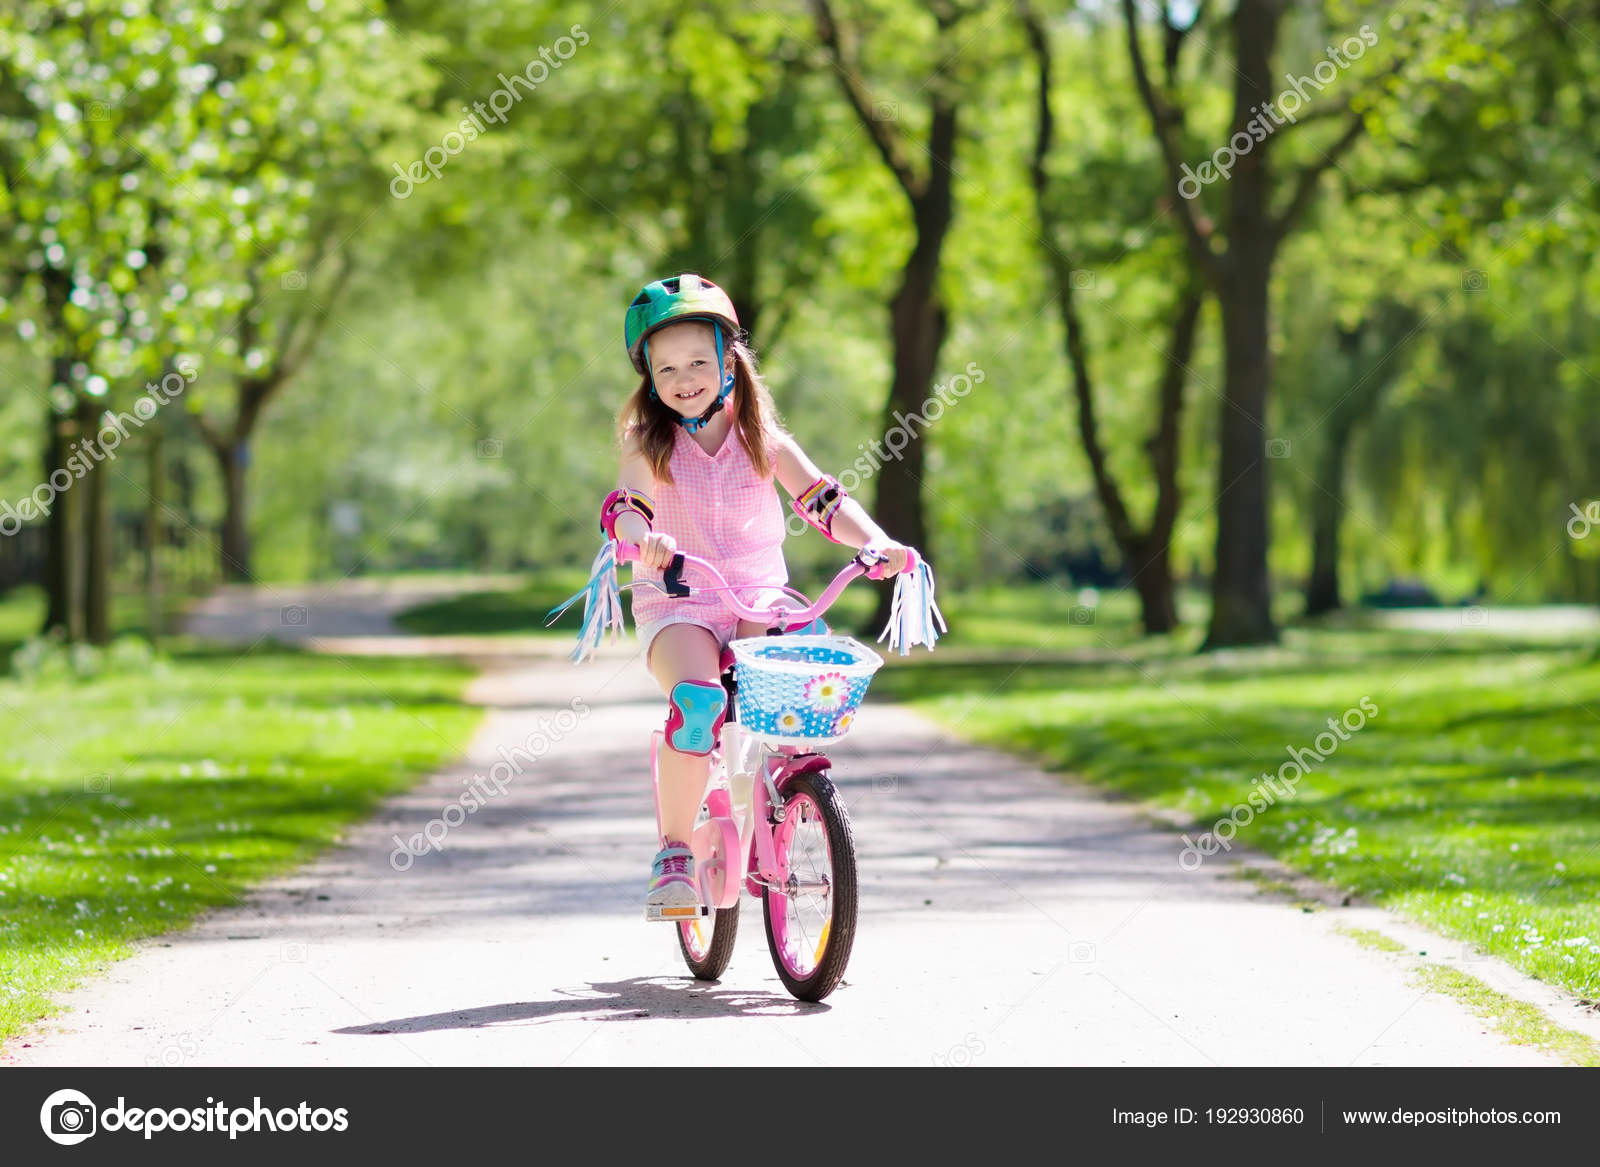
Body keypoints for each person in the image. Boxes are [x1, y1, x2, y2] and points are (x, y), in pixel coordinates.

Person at [603, 273, 911, 920]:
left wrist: (877, 541)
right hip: (678, 599)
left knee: (795, 694)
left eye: (697, 361)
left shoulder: (760, 437)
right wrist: (643, 536)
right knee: (697, 703)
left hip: (757, 595)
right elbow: (626, 504)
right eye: (666, 368)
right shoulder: (648, 440)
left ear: (728, 360)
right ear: (648, 378)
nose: (683, 377)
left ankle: (781, 789)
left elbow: (824, 499)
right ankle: (677, 853)